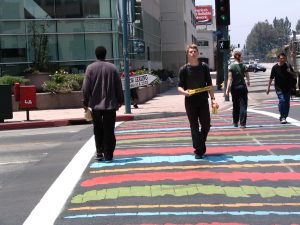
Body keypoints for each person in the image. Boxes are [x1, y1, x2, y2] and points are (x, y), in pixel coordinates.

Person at [82, 46, 124, 162]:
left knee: (98, 128)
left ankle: (99, 152)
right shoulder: (113, 68)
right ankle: (108, 154)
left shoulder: (90, 68)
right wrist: (120, 100)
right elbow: (118, 86)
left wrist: (85, 102)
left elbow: (86, 87)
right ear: (105, 55)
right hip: (110, 104)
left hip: (95, 105)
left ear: (96, 55)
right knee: (109, 129)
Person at [178, 44, 218, 159]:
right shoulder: (184, 69)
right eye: (190, 51)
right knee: (194, 126)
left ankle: (200, 143)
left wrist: (213, 100)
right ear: (187, 53)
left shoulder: (204, 67)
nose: (193, 53)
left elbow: (209, 85)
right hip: (190, 101)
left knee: (206, 124)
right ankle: (198, 150)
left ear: (198, 52)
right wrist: (185, 92)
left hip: (203, 100)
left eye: (195, 51)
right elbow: (179, 86)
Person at [266, 52, 296, 124]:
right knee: (282, 100)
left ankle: (285, 117)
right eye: (281, 58)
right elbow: (271, 78)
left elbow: (294, 74)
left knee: (287, 103)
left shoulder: (288, 66)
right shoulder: (275, 67)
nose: (282, 59)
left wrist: (290, 72)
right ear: (278, 59)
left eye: (284, 58)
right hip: (279, 88)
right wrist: (268, 88)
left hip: (288, 87)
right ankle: (282, 117)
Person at [226, 51, 250, 128]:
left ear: (234, 57)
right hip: (242, 87)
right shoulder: (244, 66)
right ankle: (243, 124)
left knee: (235, 105)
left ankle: (235, 122)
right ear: (240, 56)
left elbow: (230, 78)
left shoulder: (231, 66)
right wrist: (248, 81)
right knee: (243, 106)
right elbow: (247, 76)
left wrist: (227, 89)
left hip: (234, 87)